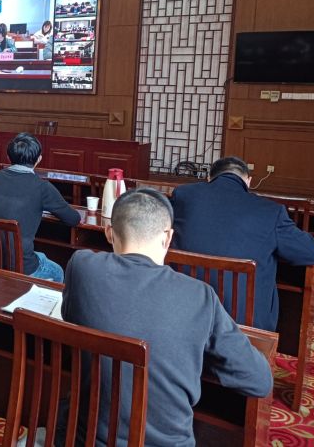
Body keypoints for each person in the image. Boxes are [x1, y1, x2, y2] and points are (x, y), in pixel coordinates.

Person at [62, 189, 273, 446]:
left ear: (108, 233)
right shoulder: (199, 296)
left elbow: (70, 314)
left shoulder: (82, 266)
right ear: (168, 237)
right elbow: (259, 381)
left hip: (86, 439)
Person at [171, 156, 314, 331]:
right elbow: (311, 252)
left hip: (183, 312)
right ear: (248, 181)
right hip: (243, 326)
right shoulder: (270, 211)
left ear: (209, 178)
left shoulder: (183, 195)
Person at [0, 134, 80, 281]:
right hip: (20, 266)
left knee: (39, 256)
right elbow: (73, 219)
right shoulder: (42, 187)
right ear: (39, 159)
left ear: (8, 157)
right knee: (57, 271)